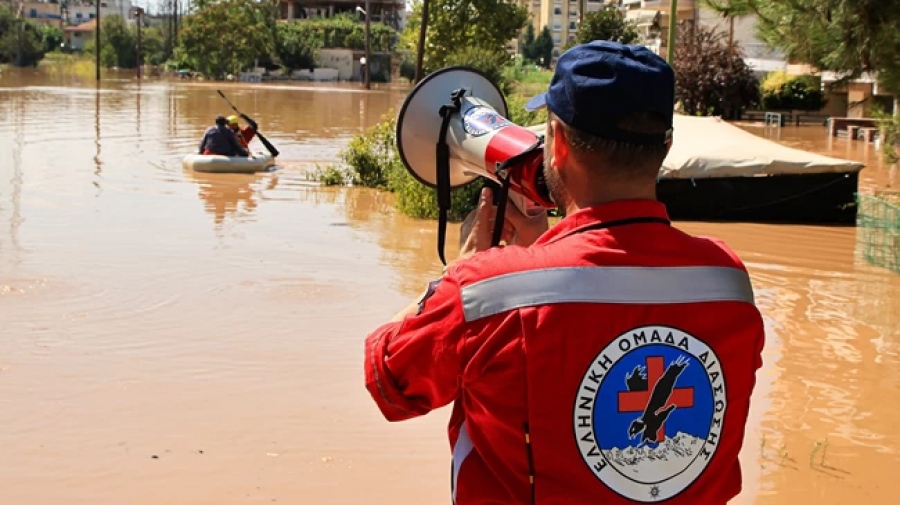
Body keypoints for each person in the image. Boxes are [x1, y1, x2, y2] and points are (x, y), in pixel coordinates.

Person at [363, 40, 765, 505]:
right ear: (667, 145)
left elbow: (388, 379)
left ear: (556, 142)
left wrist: (461, 272)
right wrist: (540, 253)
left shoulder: (483, 292)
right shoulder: (728, 282)